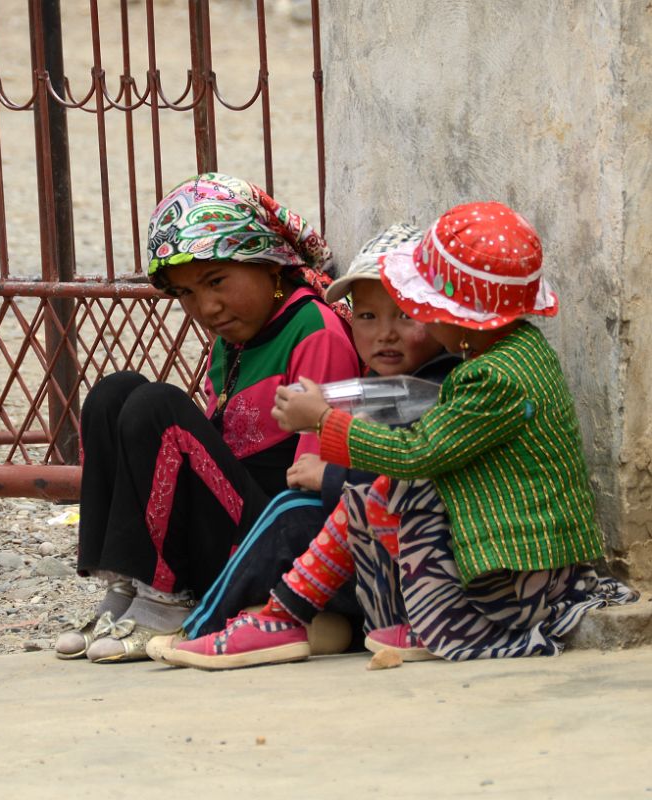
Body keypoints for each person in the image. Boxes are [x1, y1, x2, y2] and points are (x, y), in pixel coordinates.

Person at [269, 201, 637, 661]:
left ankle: (447, 627)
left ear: (457, 318)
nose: (415, 316)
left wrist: (323, 420)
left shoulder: (493, 377)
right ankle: (386, 623)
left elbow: (417, 453)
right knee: (370, 496)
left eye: (418, 308)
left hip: (522, 568)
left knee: (408, 490)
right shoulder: (516, 349)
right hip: (519, 554)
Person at [55, 173, 361, 663]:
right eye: (186, 294)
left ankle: (167, 600)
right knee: (115, 394)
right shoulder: (234, 339)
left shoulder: (314, 332)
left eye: (216, 282)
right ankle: (126, 584)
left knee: (159, 407)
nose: (207, 307)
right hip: (236, 527)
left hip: (283, 545)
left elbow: (311, 495)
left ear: (269, 265)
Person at [152, 223, 461, 669]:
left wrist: (330, 473)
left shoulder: (435, 386)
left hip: (425, 571)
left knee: (291, 512)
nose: (384, 334)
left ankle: (201, 629)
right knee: (298, 513)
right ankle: (291, 621)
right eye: (368, 317)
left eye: (406, 316)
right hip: (385, 573)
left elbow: (415, 469)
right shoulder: (378, 383)